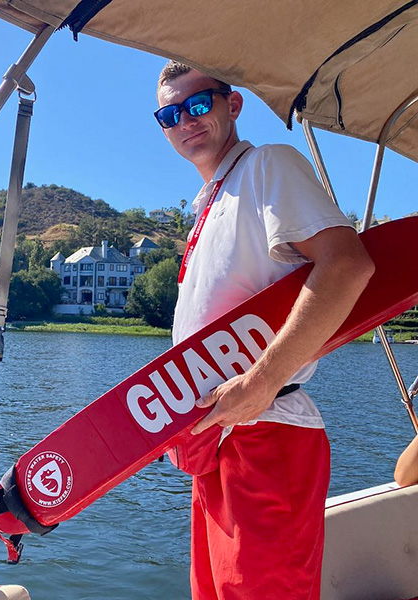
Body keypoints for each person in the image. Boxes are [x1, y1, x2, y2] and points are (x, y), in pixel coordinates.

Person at [155, 61, 375, 599]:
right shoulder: (210, 203)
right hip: (215, 439)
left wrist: (261, 382)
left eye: (199, 104)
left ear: (234, 105)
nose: (185, 119)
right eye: (169, 113)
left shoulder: (266, 166)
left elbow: (347, 266)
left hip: (267, 433)